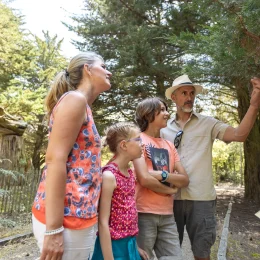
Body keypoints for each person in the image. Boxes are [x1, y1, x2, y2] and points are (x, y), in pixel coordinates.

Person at [161, 74, 260, 260]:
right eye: (184, 93)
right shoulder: (162, 127)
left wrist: (254, 105)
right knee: (169, 256)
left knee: (202, 254)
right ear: (173, 97)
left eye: (192, 93)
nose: (189, 97)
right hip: (168, 199)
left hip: (201, 199)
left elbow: (239, 135)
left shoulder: (208, 123)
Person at [32, 51, 112, 260]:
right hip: (66, 220)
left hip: (78, 218)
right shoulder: (75, 100)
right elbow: (54, 160)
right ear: (87, 69)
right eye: (103, 66)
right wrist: (53, 229)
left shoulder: (83, 106)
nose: (109, 72)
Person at [133, 97, 190, 260]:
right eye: (162, 110)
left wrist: (161, 175)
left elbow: (185, 179)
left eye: (166, 109)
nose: (167, 113)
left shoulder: (169, 145)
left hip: (167, 214)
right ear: (148, 114)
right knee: (143, 257)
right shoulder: (137, 141)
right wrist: (171, 189)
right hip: (142, 213)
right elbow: (144, 179)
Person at [91, 122, 149, 260]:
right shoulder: (109, 176)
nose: (143, 144)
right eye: (138, 140)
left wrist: (135, 247)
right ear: (123, 145)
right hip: (113, 249)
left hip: (129, 245)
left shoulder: (129, 173)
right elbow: (103, 223)